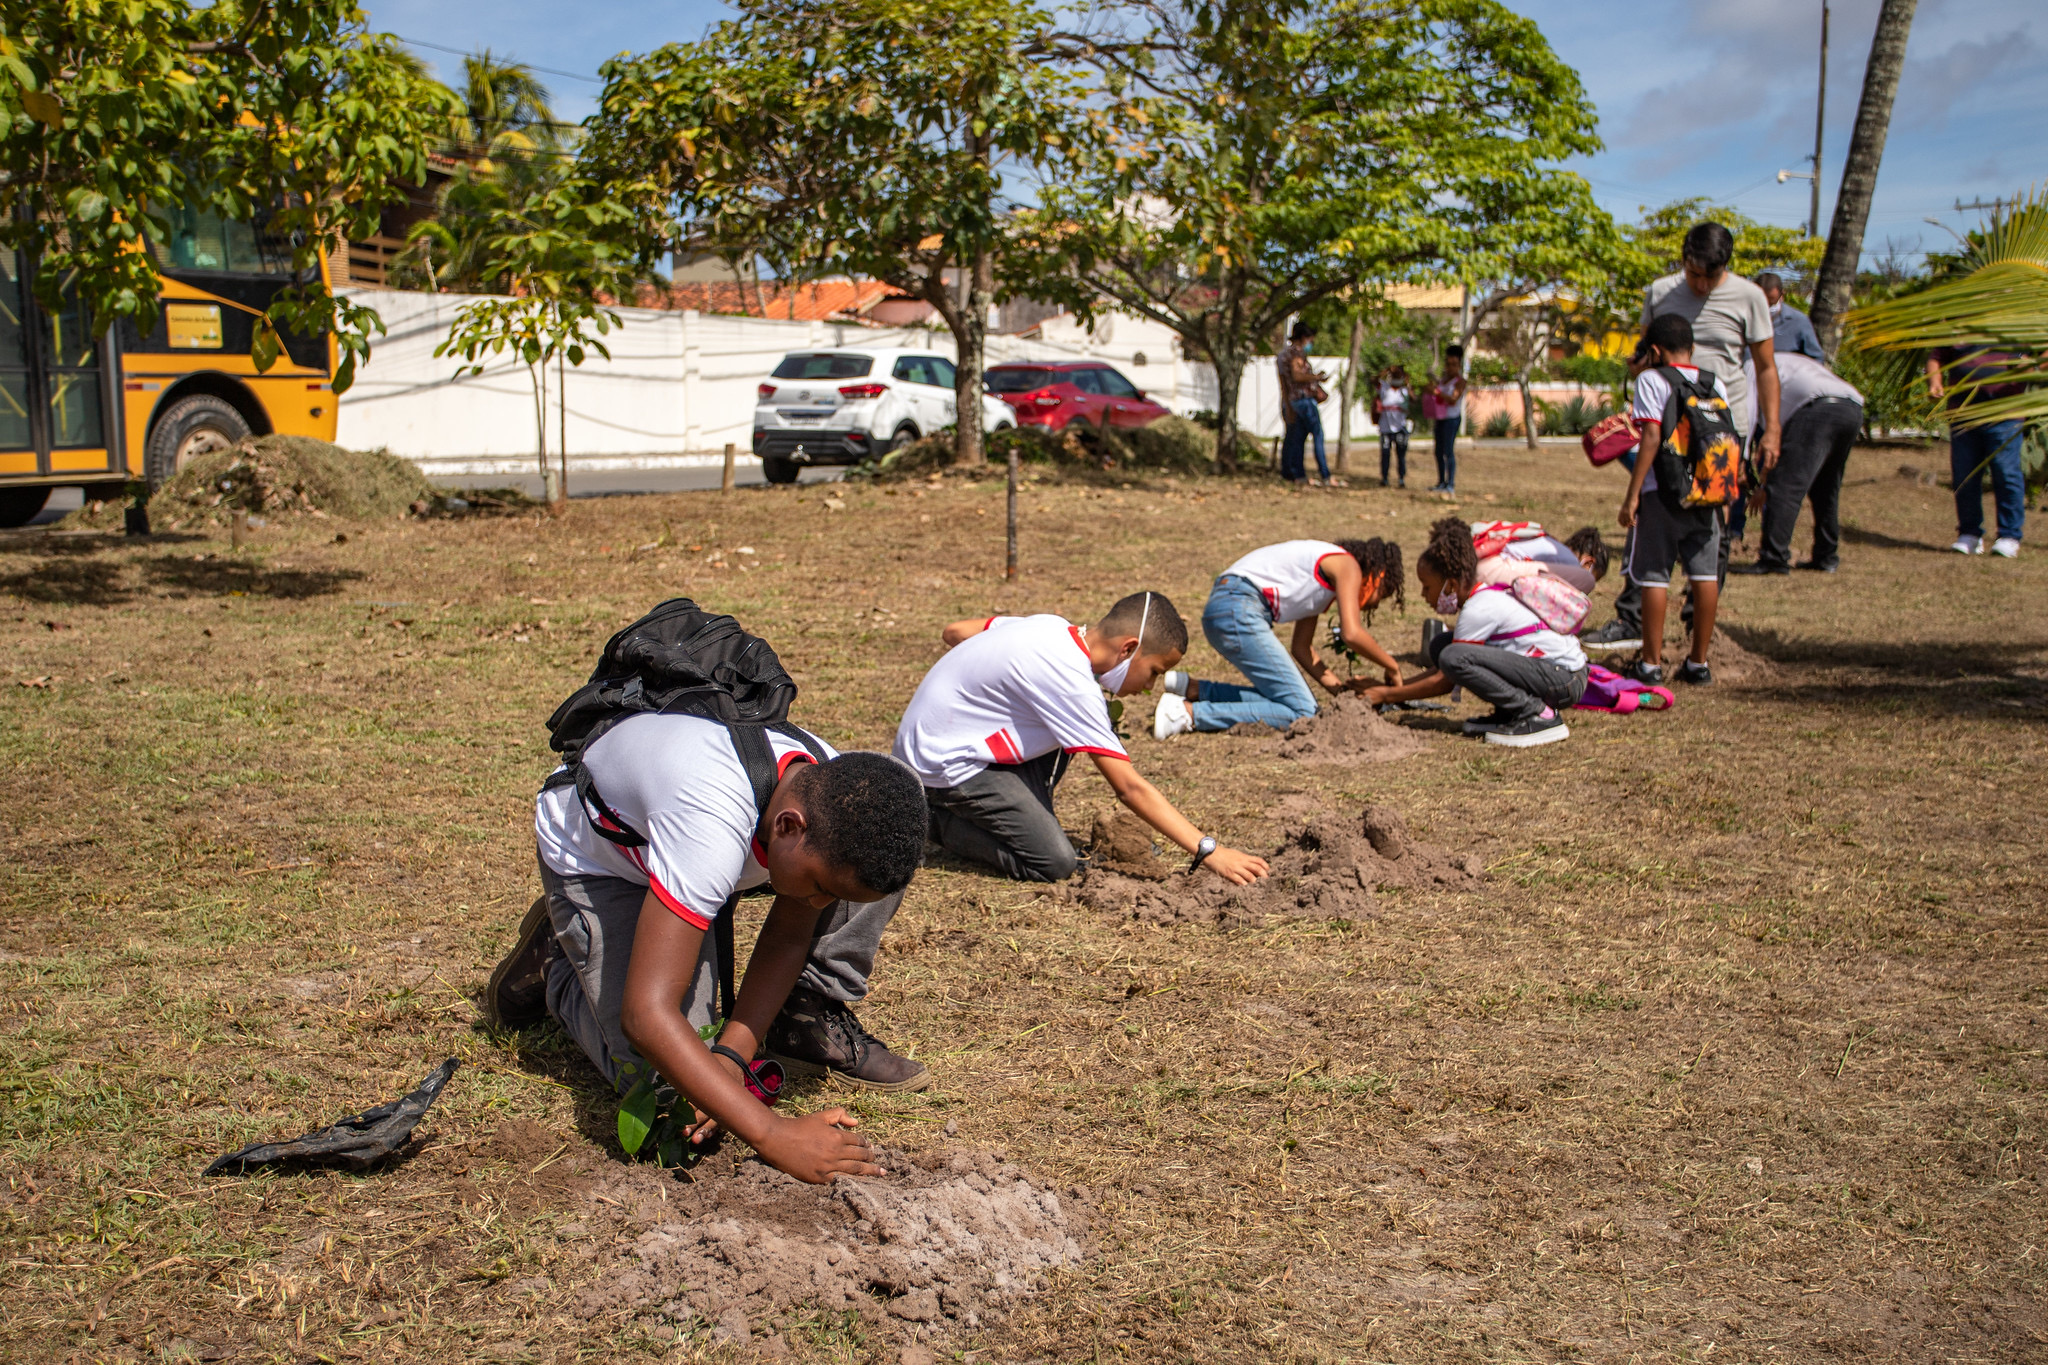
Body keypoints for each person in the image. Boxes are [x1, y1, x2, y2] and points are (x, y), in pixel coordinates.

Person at [486, 721, 931, 1184]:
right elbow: (645, 1015)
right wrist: (773, 1134)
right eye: (819, 889)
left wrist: (732, 1058)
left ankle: (792, 1001)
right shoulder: (710, 819)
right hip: (604, 861)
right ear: (788, 825)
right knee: (672, 1093)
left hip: (697, 854)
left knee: (709, 1080)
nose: (820, 907)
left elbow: (787, 937)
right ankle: (562, 954)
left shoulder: (828, 795)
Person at [896, 593, 1270, 886]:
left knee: (1063, 732)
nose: (1149, 687)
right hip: (941, 763)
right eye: (1154, 672)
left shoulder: (1051, 627)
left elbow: (955, 631)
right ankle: (924, 819)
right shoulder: (1072, 683)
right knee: (1053, 862)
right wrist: (1210, 851)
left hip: (933, 744)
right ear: (1128, 648)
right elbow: (1130, 788)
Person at [1363, 517, 1588, 748]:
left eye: (1426, 586)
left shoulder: (1477, 608)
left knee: (1453, 656)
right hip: (1559, 674)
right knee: (1443, 646)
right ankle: (1509, 713)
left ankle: (1538, 714)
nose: (1423, 594)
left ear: (1449, 585)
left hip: (1564, 680)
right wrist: (1394, 689)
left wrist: (1385, 695)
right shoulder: (1482, 597)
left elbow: (1446, 679)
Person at [1153, 537, 1405, 736]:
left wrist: (1343, 694)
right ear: (1378, 575)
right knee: (1303, 711)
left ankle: (1195, 690)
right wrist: (1392, 667)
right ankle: (1186, 714)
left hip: (1225, 605)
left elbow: (1302, 648)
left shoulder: (1323, 577)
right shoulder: (1348, 564)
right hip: (1238, 607)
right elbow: (1352, 633)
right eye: (1381, 596)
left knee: (1289, 700)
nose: (1373, 605)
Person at [1617, 313, 1724, 686]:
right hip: (1707, 492)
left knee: (1655, 576)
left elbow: (1650, 437)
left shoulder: (1652, 379)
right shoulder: (1714, 382)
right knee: (1704, 575)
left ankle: (1650, 663)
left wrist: (1632, 495)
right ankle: (1699, 663)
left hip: (1662, 493)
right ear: (1691, 348)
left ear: (1656, 351)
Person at [1730, 352, 1864, 575]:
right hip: (1850, 407)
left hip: (1818, 408)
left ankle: (1774, 559)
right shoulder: (1784, 361)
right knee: (1825, 486)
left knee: (1785, 488)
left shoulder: (1751, 368)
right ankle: (1826, 555)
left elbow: (1748, 417)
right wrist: (1763, 484)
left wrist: (1741, 461)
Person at [1929, 346, 2029, 558]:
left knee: (2006, 473)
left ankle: (2009, 536)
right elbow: (1936, 357)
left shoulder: (2019, 321)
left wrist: (2031, 364)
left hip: (2005, 414)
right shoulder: (1958, 324)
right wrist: (1935, 382)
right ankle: (1969, 534)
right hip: (1963, 413)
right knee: (1964, 475)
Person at [1276, 322, 1331, 489]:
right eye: (1310, 339)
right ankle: (1325, 474)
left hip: (1293, 400)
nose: (1311, 343)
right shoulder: (1296, 353)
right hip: (1303, 401)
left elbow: (1285, 383)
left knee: (1296, 438)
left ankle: (1296, 474)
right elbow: (1297, 376)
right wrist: (1316, 378)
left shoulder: (1283, 355)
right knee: (1317, 435)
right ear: (1303, 337)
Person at [1755, 272, 1824, 362]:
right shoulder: (1742, 318)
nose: (1766, 307)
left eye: (1771, 303)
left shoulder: (1799, 321)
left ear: (1782, 295)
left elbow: (1816, 359)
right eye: (1761, 302)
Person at [1425, 346, 1468, 493]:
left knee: (1448, 451)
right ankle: (1441, 482)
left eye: (1454, 364)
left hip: (1452, 419)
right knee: (1438, 451)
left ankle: (1450, 484)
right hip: (1440, 418)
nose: (1450, 367)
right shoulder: (1443, 380)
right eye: (1448, 364)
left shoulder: (1460, 382)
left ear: (1459, 365)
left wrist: (1437, 392)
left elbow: (1453, 399)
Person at [1376, 367, 1412, 487]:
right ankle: (1385, 478)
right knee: (1385, 454)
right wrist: (1385, 371)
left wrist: (1407, 383)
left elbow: (1413, 399)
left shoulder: (1404, 391)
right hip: (1385, 428)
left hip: (1400, 427)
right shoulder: (1384, 387)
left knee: (1401, 455)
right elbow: (1374, 379)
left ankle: (1401, 478)